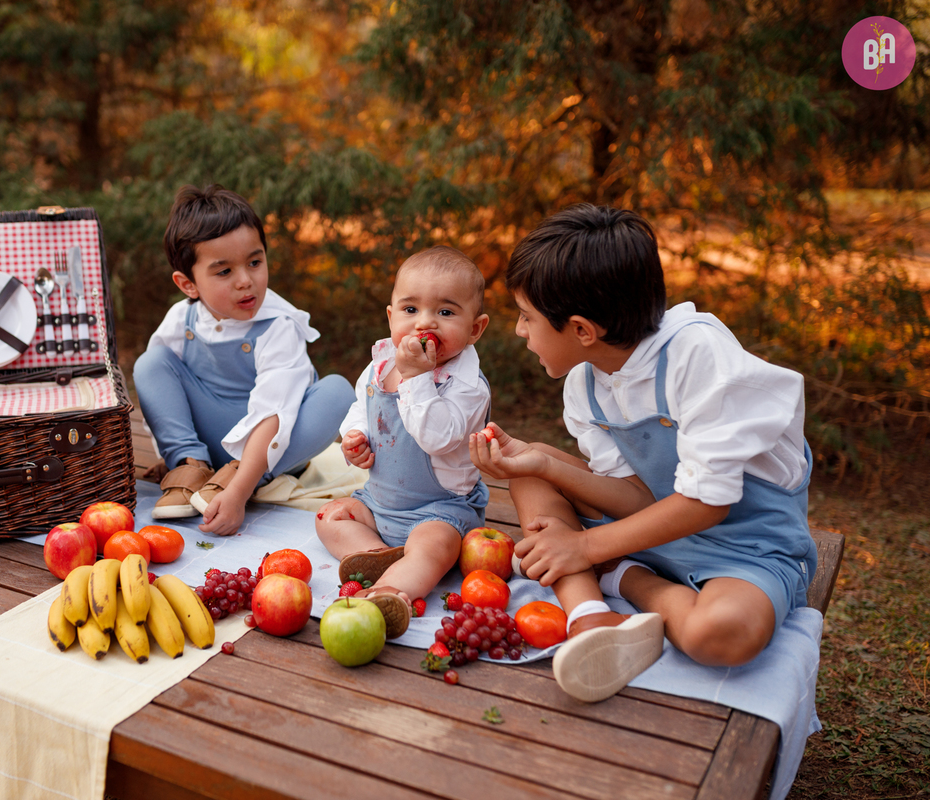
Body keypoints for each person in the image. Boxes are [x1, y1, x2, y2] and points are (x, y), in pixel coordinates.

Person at [469, 204, 818, 703]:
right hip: (652, 525)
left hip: (747, 548)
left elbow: (708, 503)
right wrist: (543, 463)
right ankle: (590, 615)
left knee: (721, 634)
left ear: (582, 330)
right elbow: (637, 499)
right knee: (531, 467)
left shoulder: (700, 358)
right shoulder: (585, 385)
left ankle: (625, 581)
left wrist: (589, 550)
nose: (521, 331)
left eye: (527, 318)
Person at [134, 184, 355, 536]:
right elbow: (163, 392)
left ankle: (236, 475)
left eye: (255, 262)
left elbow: (274, 413)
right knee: (151, 362)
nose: (246, 281)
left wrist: (239, 491)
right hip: (211, 438)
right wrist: (171, 453)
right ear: (188, 284)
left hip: (272, 449)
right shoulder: (182, 320)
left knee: (338, 392)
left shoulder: (277, 325)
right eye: (224, 272)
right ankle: (191, 467)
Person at [316, 246, 492, 638]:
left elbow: (437, 437)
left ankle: (390, 590)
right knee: (330, 517)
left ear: (475, 328)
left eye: (445, 313)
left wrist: (415, 377)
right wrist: (354, 437)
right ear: (391, 316)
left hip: (439, 509)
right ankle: (379, 555)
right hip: (378, 504)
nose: (424, 323)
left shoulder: (467, 387)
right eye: (410, 310)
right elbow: (362, 406)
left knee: (436, 546)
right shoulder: (381, 364)